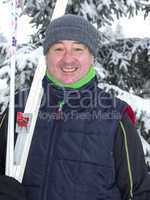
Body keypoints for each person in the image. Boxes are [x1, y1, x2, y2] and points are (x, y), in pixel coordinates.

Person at [0, 14, 150, 200]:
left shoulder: (115, 118)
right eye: (58, 49)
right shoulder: (19, 108)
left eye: (78, 49)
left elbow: (140, 193)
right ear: (46, 56)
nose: (68, 59)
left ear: (92, 57)